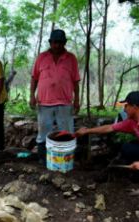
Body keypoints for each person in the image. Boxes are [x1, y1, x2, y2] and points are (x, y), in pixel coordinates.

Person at [30, 29, 80, 161]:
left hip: (65, 102)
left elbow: (75, 80)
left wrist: (77, 100)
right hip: (44, 102)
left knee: (67, 132)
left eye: (60, 43)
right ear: (50, 43)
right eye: (54, 42)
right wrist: (31, 96)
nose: (57, 45)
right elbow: (34, 78)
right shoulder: (41, 57)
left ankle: (67, 160)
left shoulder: (71, 58)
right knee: (43, 132)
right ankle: (42, 159)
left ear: (64, 43)